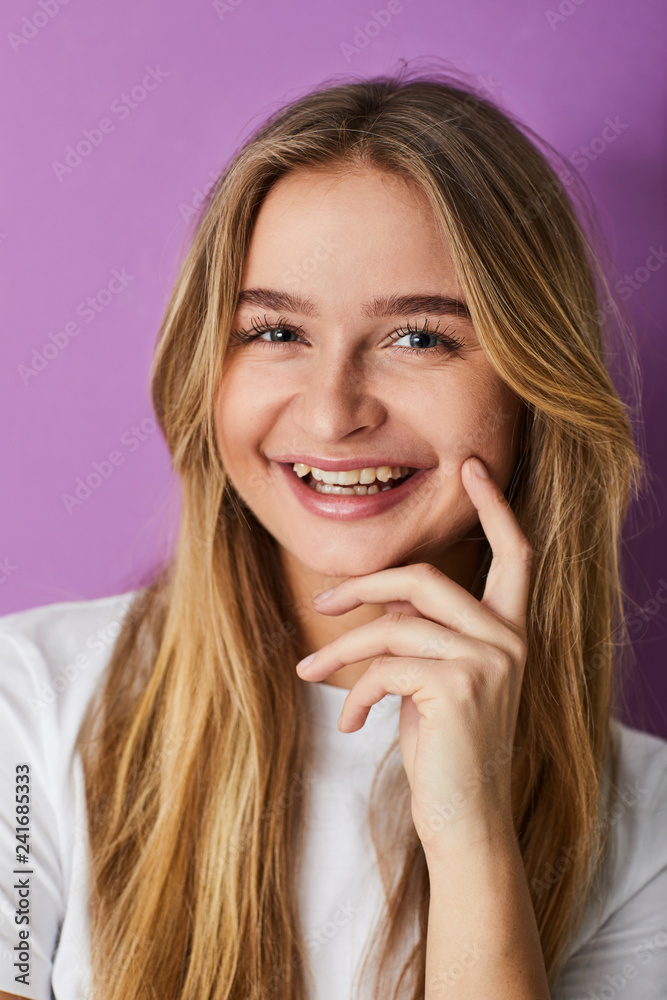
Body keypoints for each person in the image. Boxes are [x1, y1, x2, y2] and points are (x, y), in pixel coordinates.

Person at [1, 61, 666, 1000]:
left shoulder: (649, 830)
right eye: (274, 331)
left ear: (532, 383)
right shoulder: (27, 705)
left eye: (419, 337)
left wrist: (471, 832)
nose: (330, 414)